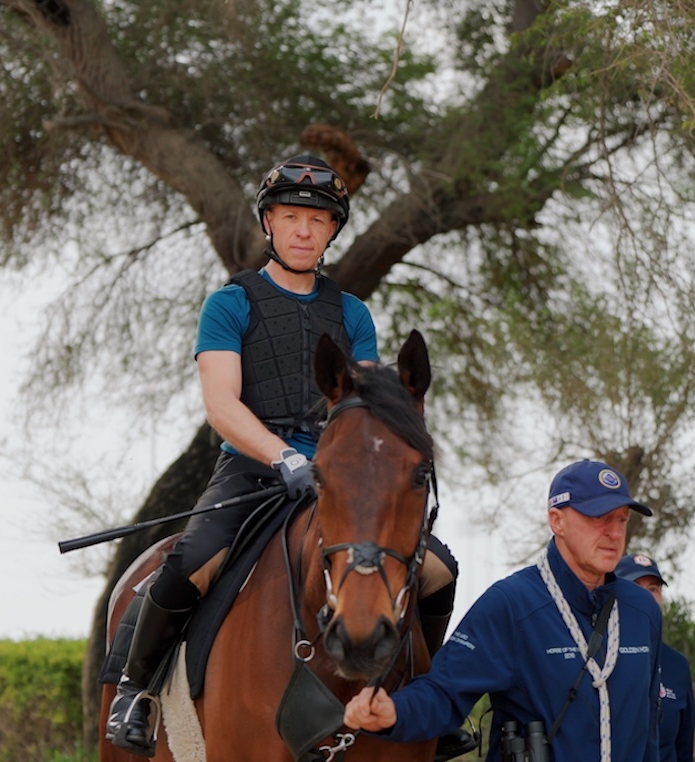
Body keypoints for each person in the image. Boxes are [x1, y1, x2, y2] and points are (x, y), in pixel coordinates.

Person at [105, 154, 471, 759]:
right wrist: (283, 458)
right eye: (292, 216)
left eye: (318, 220)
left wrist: (333, 464)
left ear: (332, 231)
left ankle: (425, 692)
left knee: (438, 567)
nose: (304, 230)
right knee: (190, 558)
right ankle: (134, 692)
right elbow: (221, 405)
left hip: (333, 475)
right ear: (270, 223)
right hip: (252, 467)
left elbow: (365, 408)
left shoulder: (352, 314)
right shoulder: (230, 304)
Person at [344, 459, 664, 762]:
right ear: (557, 521)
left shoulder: (642, 609)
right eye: (599, 518)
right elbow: (444, 691)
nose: (614, 533)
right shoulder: (511, 604)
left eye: (621, 519)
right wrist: (395, 713)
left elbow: (649, 727)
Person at [615, 553, 695, 762]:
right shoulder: (600, 659)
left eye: (653, 589)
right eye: (635, 587)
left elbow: (684, 748)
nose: (646, 598)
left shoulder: (677, 665)